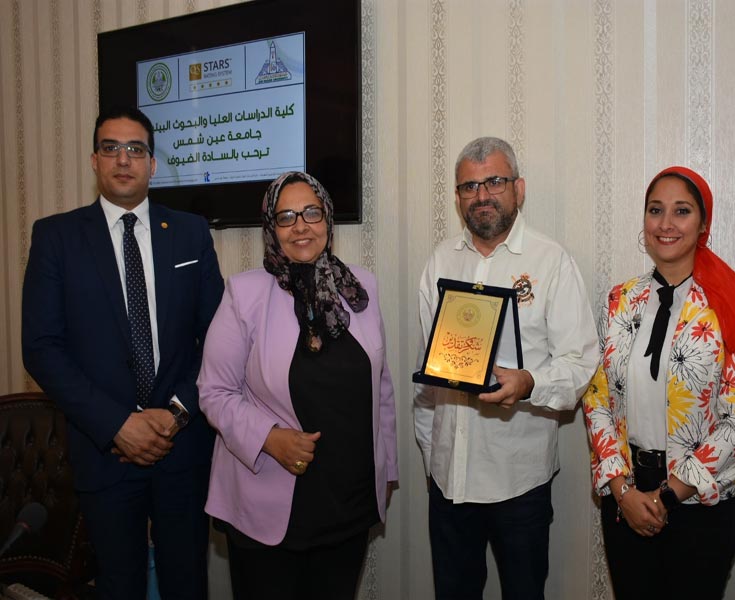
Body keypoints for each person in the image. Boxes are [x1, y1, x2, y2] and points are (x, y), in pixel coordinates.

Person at [21, 106, 225, 599]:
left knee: (187, 583)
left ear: (153, 164)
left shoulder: (192, 231)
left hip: (181, 450)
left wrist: (174, 415)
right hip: (104, 451)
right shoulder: (56, 238)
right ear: (94, 160)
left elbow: (218, 338)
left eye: (136, 149)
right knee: (118, 584)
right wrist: (118, 424)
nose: (123, 159)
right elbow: (42, 348)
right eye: (110, 148)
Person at [413, 136, 599, 600]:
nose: (482, 195)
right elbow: (429, 373)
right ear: (457, 197)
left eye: (494, 182)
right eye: (469, 186)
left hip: (518, 481)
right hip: (449, 482)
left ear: (519, 188)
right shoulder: (440, 261)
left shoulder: (550, 261)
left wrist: (530, 382)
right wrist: (431, 455)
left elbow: (581, 363)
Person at [198, 171, 398, 599]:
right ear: (271, 228)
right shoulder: (244, 293)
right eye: (286, 216)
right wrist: (269, 438)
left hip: (349, 500)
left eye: (311, 212)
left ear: (327, 219)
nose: (301, 225)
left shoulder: (362, 288)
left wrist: (387, 469)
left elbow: (380, 388)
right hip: (268, 500)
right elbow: (214, 392)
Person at [582, 166, 735, 599]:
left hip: (701, 504)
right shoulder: (619, 299)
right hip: (625, 497)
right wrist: (622, 490)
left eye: (681, 211)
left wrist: (667, 496)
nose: (666, 224)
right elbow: (597, 399)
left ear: (703, 225)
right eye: (655, 210)